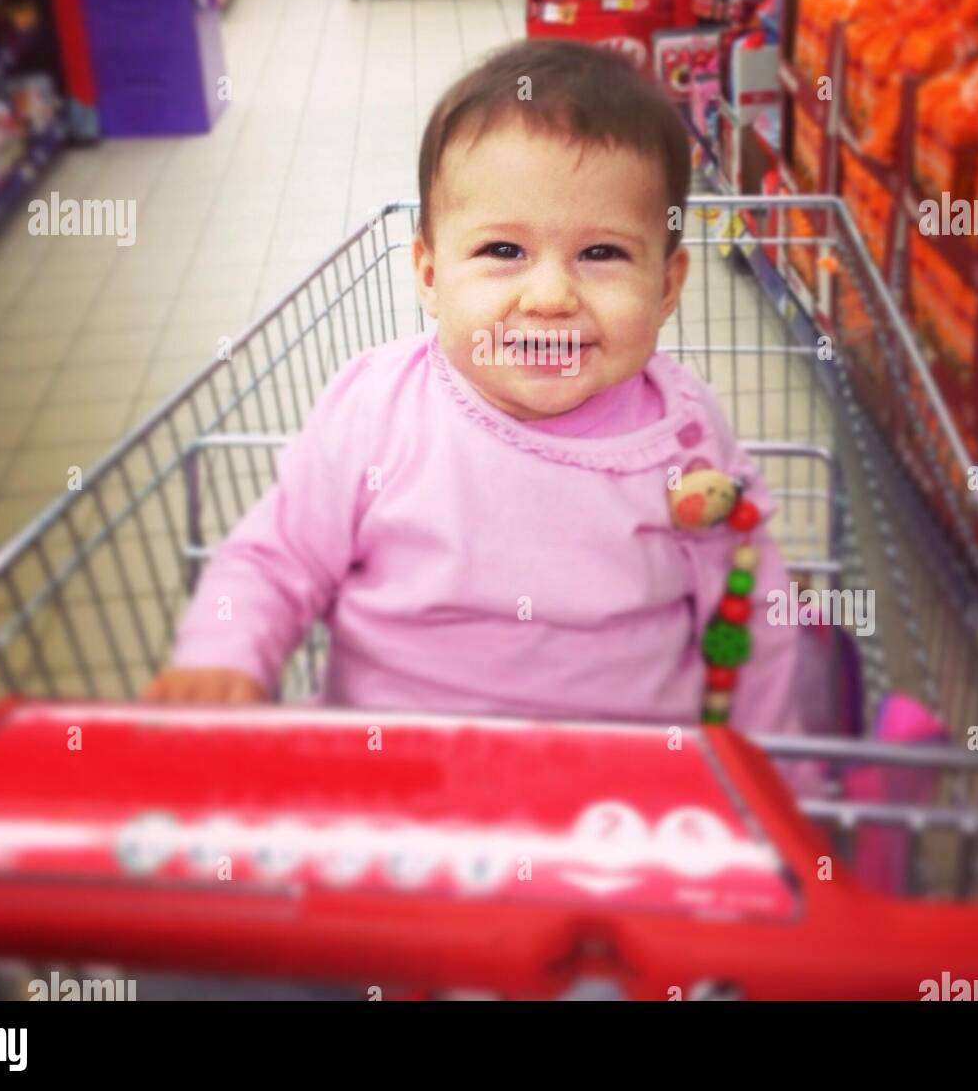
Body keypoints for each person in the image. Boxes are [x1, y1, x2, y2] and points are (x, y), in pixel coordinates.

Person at [144, 41, 800, 740]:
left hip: (619, 792)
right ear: (428, 272)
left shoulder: (685, 438)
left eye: (601, 253)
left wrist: (774, 779)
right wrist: (224, 655)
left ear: (667, 285)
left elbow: (749, 608)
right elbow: (278, 556)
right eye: (503, 251)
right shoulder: (377, 412)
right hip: (394, 778)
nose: (550, 296)